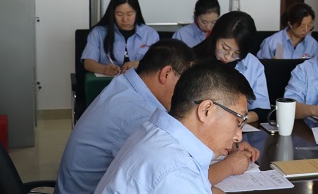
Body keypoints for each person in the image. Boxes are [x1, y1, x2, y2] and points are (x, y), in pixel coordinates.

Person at [55, 39, 258, 194]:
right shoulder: (136, 116)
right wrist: (229, 166)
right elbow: (173, 178)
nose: (189, 89)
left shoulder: (145, 115)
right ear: (205, 110)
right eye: (238, 121)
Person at [95, 59, 255, 194]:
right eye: (238, 121)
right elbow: (176, 180)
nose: (238, 136)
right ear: (206, 110)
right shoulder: (176, 172)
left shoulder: (152, 132)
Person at [194, 11, 270, 123]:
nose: (228, 56)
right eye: (225, 48)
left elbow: (261, 110)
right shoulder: (192, 59)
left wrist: (234, 120)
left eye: (237, 53)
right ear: (216, 35)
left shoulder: (253, 65)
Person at [81, 0, 159, 75]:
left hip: (140, 81)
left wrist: (139, 64)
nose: (125, 19)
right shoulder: (98, 33)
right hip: (108, 81)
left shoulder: (150, 34)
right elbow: (88, 63)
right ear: (112, 13)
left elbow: (159, 63)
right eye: (119, 14)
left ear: (136, 12)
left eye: (129, 14)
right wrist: (104, 69)